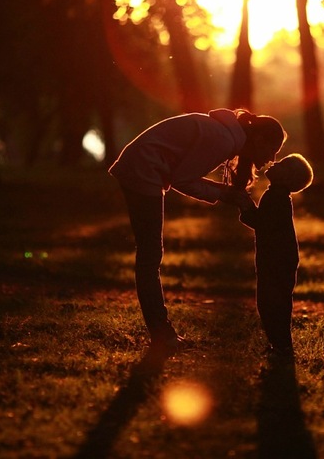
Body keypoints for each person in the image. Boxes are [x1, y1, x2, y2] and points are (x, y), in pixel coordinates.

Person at [109, 108, 287, 356]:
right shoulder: (222, 139)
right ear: (259, 139)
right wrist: (223, 194)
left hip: (144, 167)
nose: (272, 158)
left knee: (149, 254)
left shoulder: (226, 135)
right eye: (273, 149)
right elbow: (182, 179)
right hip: (143, 168)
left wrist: (224, 193)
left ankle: (162, 332)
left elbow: (181, 174)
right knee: (150, 256)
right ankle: (162, 334)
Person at [239, 153, 313, 358]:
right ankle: (279, 344)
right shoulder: (275, 195)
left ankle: (281, 346)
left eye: (282, 164)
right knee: (275, 302)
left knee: (271, 302)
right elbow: (265, 223)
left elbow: (263, 224)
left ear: (287, 178)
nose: (275, 162)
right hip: (278, 257)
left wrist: (245, 206)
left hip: (276, 259)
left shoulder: (276, 197)